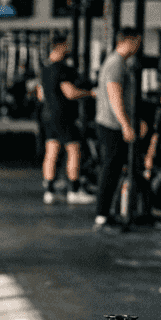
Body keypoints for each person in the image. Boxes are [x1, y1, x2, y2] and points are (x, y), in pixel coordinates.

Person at [36, 35, 95, 204]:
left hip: (47, 115)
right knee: (74, 150)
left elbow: (41, 95)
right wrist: (90, 93)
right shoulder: (63, 69)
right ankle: (74, 191)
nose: (68, 49)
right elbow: (70, 93)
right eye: (66, 46)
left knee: (52, 151)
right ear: (60, 47)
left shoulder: (44, 69)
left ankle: (49, 191)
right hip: (63, 115)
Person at [93, 28, 142, 230]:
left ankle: (106, 214)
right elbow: (115, 97)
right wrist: (125, 124)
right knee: (110, 170)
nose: (139, 47)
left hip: (112, 124)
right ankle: (102, 216)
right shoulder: (116, 64)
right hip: (112, 125)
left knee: (113, 170)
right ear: (128, 41)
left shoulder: (118, 62)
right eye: (137, 42)